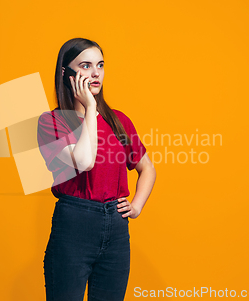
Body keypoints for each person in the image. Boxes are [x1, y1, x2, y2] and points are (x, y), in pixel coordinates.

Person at [36, 37, 157, 301]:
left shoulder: (118, 121)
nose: (95, 73)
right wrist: (91, 107)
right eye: (85, 65)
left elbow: (147, 168)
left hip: (115, 229)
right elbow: (84, 161)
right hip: (73, 226)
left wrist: (136, 206)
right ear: (66, 74)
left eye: (100, 65)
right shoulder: (51, 123)